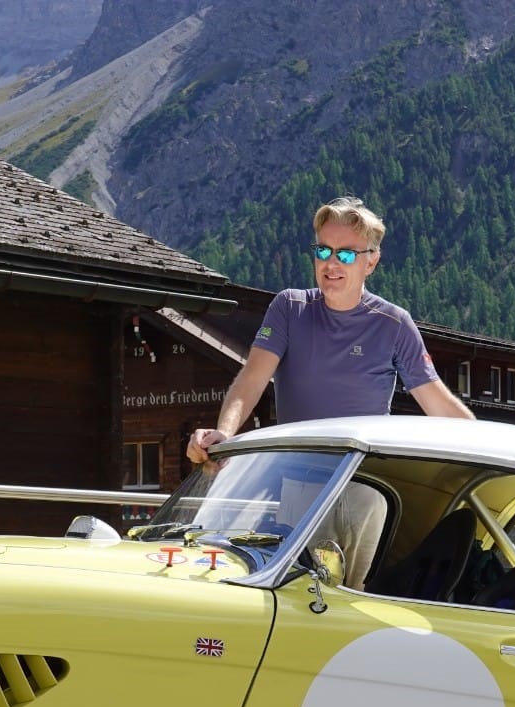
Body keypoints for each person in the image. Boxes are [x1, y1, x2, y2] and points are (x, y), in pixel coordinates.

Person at [184, 196, 474, 587]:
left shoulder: (394, 324)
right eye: (323, 250)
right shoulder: (290, 307)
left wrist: (511, 453)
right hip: (298, 483)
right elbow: (251, 379)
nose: (331, 263)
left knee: (348, 601)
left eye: (346, 254)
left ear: (371, 260)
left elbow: (437, 402)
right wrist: (226, 433)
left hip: (363, 485)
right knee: (299, 596)